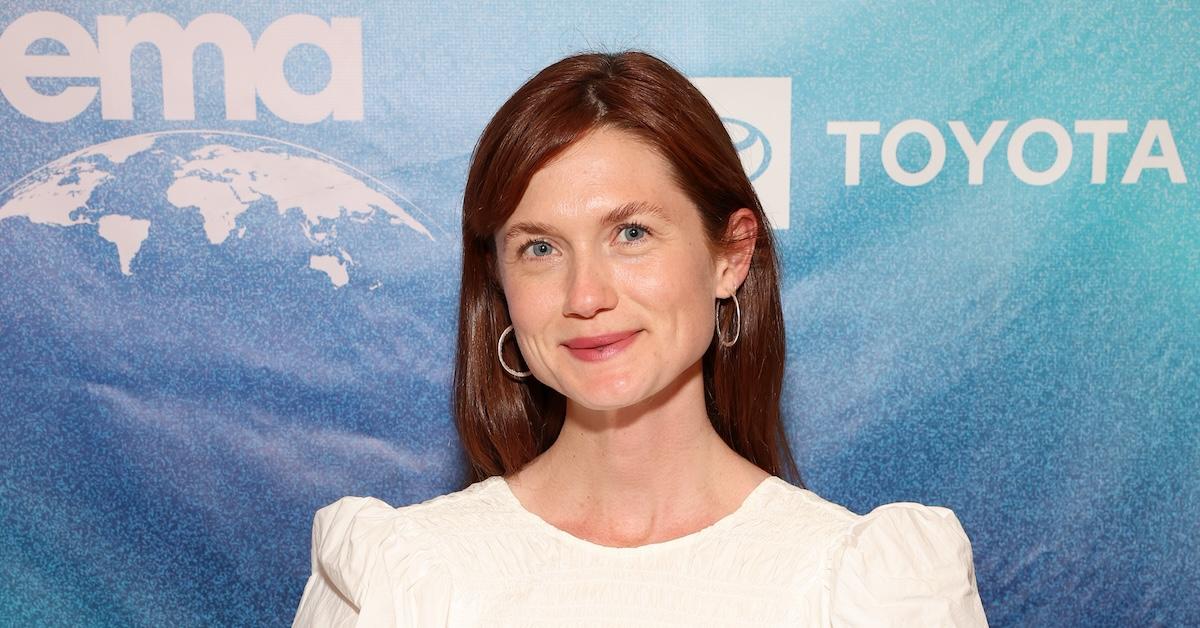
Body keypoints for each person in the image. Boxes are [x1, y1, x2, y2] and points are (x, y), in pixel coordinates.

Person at [292, 50, 989, 627]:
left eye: (631, 234)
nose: (586, 296)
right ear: (499, 281)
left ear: (730, 255)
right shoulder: (403, 583)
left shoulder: (863, 591)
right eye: (539, 248)